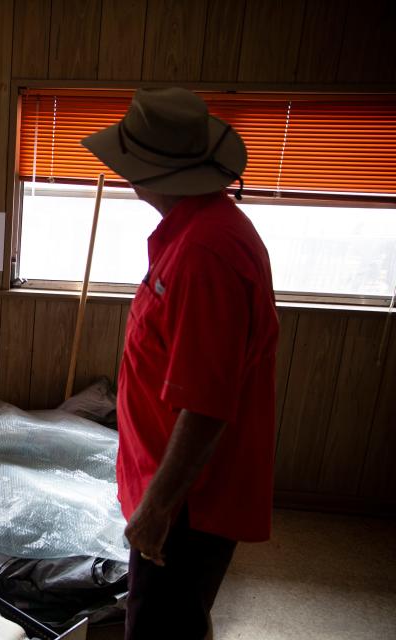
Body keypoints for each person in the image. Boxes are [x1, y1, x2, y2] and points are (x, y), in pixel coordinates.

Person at [81, 88, 279, 639]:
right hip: (173, 487)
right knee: (175, 620)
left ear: (154, 173)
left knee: (162, 628)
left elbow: (207, 404)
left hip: (189, 504)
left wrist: (157, 509)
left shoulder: (204, 253)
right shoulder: (197, 230)